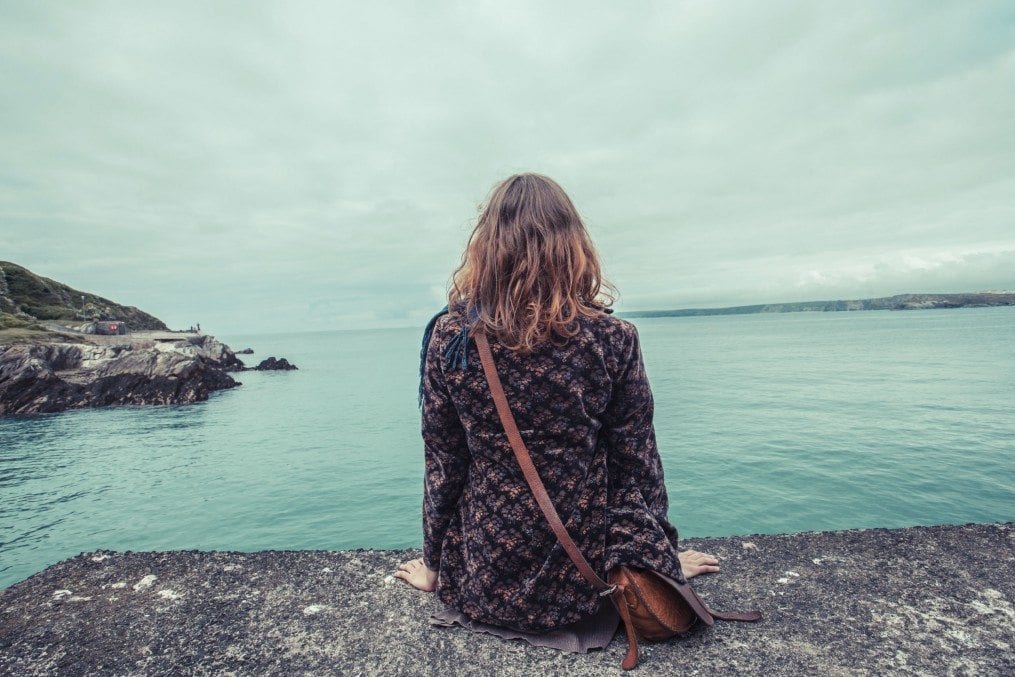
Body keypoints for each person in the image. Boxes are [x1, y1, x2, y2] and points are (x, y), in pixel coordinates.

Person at [395, 173, 719, 653]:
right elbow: (638, 460)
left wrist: (434, 566)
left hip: (486, 578)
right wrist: (659, 557)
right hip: (590, 585)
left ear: (486, 247)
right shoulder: (613, 338)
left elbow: (444, 461)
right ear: (573, 246)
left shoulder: (451, 339)